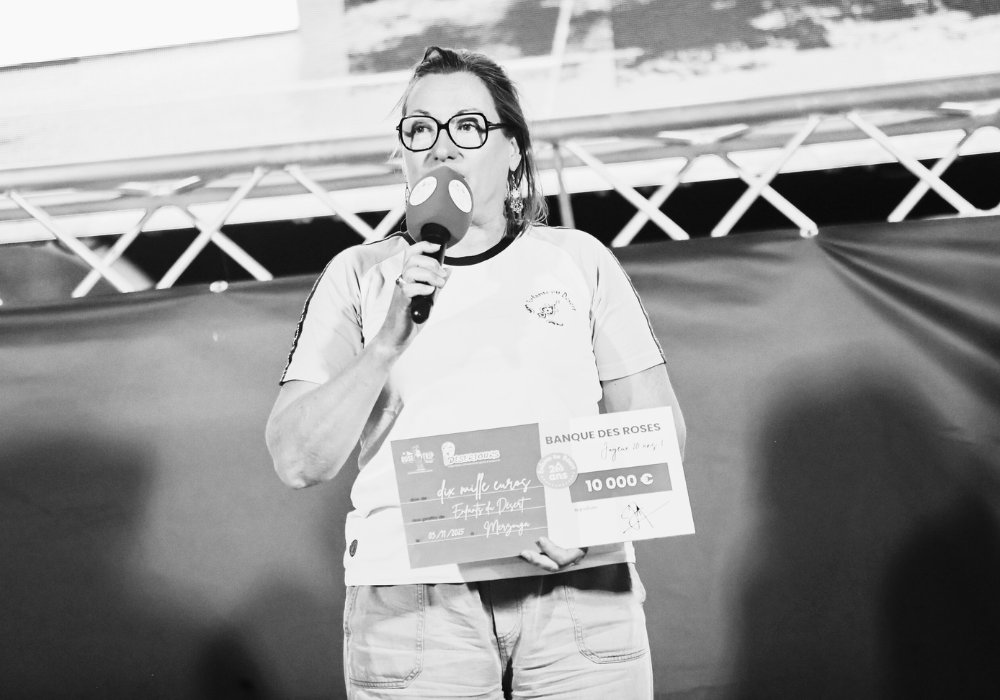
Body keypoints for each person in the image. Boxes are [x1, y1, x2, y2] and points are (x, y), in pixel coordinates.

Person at [265, 46, 686, 700]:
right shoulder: (359, 275)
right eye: (419, 129)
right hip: (413, 607)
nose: (441, 146)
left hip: (579, 593)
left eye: (467, 126)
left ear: (512, 149)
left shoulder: (578, 260)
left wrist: (586, 520)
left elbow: (659, 435)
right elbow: (297, 460)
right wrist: (385, 345)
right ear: (403, 154)